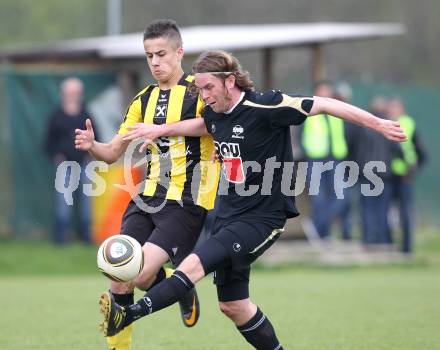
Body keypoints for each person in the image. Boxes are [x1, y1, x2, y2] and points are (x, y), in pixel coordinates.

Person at [99, 50, 406, 349]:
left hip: (262, 218)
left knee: (191, 265)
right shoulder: (215, 114)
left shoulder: (267, 106)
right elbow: (203, 125)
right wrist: (162, 129)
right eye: (199, 89)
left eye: (208, 88)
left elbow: (323, 104)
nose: (202, 96)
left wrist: (378, 124)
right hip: (230, 215)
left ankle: (128, 314)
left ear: (230, 81)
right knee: (234, 306)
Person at [75, 20, 219, 350]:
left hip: (186, 202)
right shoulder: (143, 99)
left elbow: (215, 123)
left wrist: (162, 130)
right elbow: (113, 152)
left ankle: (179, 285)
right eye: (148, 56)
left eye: (161, 54)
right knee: (118, 272)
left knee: (138, 275)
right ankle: (121, 345)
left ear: (179, 52)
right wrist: (93, 145)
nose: (155, 62)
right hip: (146, 199)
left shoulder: (200, 90)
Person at [45, 77, 96, 245]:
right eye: (70, 91)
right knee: (63, 201)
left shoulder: (86, 114)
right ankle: (61, 238)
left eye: (76, 92)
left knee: (86, 202)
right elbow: (48, 142)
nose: (73, 95)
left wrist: (90, 153)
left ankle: (86, 237)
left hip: (84, 165)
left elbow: (96, 137)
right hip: (64, 166)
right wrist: (56, 156)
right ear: (63, 93)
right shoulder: (56, 115)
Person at [300, 81, 351, 240]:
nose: (325, 94)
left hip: (335, 159)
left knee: (341, 197)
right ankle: (324, 233)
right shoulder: (307, 112)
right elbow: (299, 136)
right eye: (321, 91)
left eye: (327, 91)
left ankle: (316, 225)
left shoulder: (337, 111)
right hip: (314, 160)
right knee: (319, 199)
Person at [387, 97, 426, 253]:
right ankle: (389, 244)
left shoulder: (409, 123)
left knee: (405, 212)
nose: (393, 111)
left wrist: (414, 169)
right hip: (387, 176)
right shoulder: (382, 123)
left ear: (402, 109)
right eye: (391, 108)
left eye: (396, 108)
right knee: (385, 212)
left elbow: (421, 151)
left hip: (404, 175)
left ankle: (406, 248)